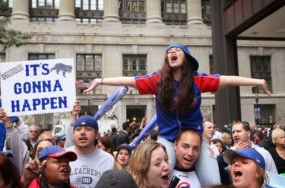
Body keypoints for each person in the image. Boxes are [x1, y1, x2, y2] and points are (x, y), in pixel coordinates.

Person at [82, 42, 271, 176]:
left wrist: (258, 81)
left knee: (212, 179)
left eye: (177, 50)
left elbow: (229, 80)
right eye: (169, 51)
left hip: (195, 139)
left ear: (186, 58)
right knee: (162, 172)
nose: (172, 52)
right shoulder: (157, 81)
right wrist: (100, 80)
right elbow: (129, 81)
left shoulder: (199, 80)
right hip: (168, 137)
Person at [66, 114, 115, 187]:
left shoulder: (108, 160)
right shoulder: (63, 156)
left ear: (97, 135)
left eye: (88, 129)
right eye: (78, 129)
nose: (82, 132)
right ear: (73, 134)